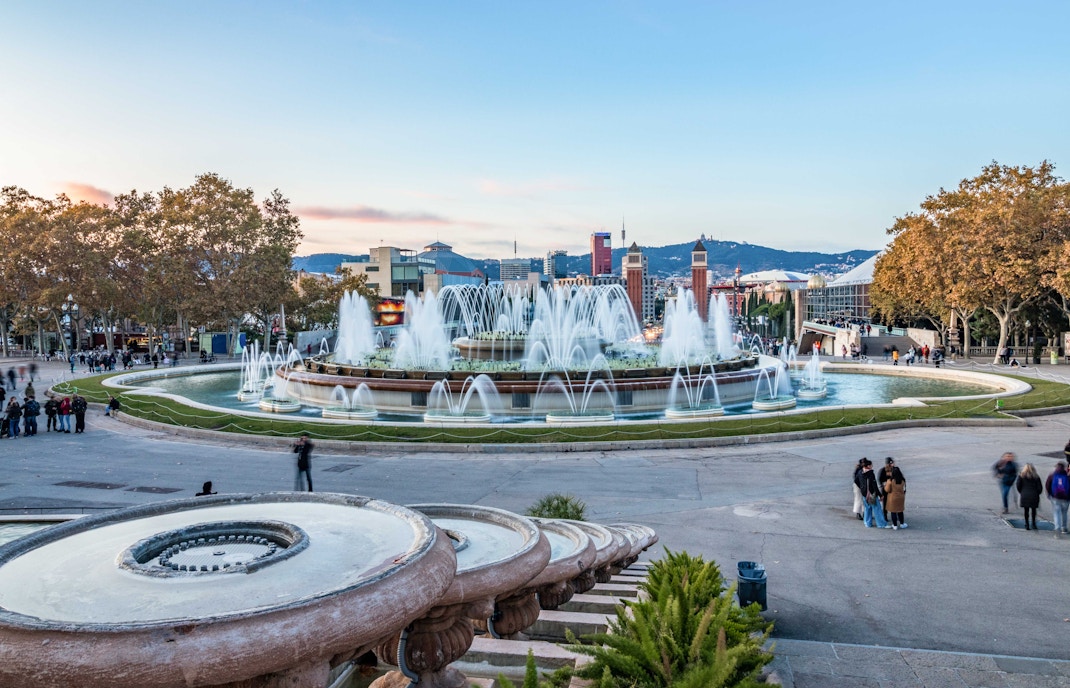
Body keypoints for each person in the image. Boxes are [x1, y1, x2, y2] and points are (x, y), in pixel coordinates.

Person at [855, 459, 889, 528]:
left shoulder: (860, 472)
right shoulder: (870, 474)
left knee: (867, 508)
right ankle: (881, 524)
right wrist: (880, 495)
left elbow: (856, 480)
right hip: (871, 494)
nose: (872, 466)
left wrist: (862, 488)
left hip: (865, 494)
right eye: (871, 465)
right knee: (877, 509)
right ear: (868, 466)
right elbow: (874, 486)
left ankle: (867, 523)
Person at [880, 457, 907, 529]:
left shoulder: (890, 481)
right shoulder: (902, 480)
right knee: (900, 510)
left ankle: (894, 525)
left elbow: (887, 489)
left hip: (892, 495)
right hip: (900, 496)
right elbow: (904, 488)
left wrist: (886, 485)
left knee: (893, 510)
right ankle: (901, 523)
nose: (892, 464)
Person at [1044, 461, 1070, 536]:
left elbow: (1047, 485)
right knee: (1064, 513)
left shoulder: (1052, 475)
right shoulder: (1067, 477)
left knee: (1056, 513)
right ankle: (1064, 528)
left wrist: (1049, 494)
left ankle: (1057, 528)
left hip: (1055, 498)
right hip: (1066, 498)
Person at [1016, 463, 1043, 531]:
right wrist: (1037, 493)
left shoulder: (1021, 476)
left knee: (1026, 510)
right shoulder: (1036, 477)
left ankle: (1027, 524)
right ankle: (1033, 524)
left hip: (1025, 495)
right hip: (1034, 495)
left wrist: (1022, 492)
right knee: (1034, 510)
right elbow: (1040, 488)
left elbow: (1018, 486)